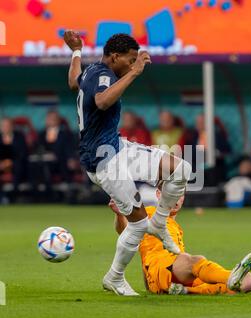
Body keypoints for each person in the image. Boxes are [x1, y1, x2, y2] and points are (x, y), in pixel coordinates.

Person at [64, 31, 192, 296]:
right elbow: (102, 101)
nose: (133, 64)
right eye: (130, 59)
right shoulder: (103, 75)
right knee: (137, 224)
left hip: (117, 147)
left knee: (181, 169)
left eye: (135, 60)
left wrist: (76, 51)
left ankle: (160, 221)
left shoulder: (92, 71)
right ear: (115, 57)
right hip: (103, 160)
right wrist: (135, 73)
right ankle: (115, 278)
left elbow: (73, 83)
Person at [109, 187, 251, 295]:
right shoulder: (149, 213)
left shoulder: (177, 229)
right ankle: (231, 277)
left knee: (249, 281)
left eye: (180, 195)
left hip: (174, 274)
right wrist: (119, 215)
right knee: (193, 260)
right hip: (160, 269)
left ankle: (187, 291)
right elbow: (124, 231)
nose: (176, 199)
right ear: (158, 194)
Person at [0, 118, 28, 191]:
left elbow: (23, 153)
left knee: (19, 167)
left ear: (12, 126)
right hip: (1, 165)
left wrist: (11, 162)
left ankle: (14, 193)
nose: (5, 127)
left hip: (15, 164)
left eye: (7, 125)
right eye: (3, 126)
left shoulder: (20, 137)